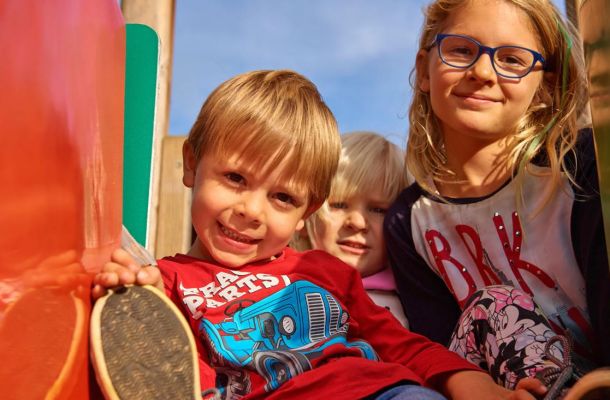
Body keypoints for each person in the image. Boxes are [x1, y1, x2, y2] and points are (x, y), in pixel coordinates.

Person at [92, 69, 547, 399]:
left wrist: (468, 381)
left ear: (308, 210)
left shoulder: (321, 271)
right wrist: (134, 294)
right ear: (192, 164)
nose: (251, 211)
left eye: (282, 199)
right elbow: (170, 368)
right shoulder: (169, 280)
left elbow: (397, 342)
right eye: (234, 178)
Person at [384, 0, 610, 392]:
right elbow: (439, 350)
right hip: (497, 387)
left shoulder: (582, 167)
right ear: (424, 70)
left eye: (512, 60)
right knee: (495, 305)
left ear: (546, 89)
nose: (482, 72)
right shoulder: (410, 220)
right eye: (460, 50)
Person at [304, 131, 409, 327]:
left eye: (378, 210)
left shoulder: (414, 304)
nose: (358, 222)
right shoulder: (278, 286)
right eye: (339, 205)